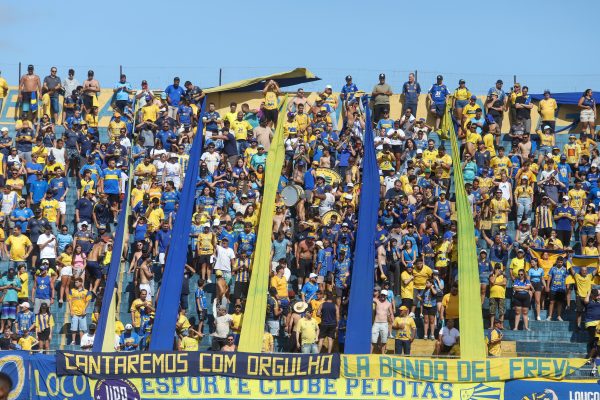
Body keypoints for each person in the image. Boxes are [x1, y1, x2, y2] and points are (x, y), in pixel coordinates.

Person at [371, 289, 393, 354]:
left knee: (384, 340)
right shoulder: (377, 301)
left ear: (386, 296)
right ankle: (370, 354)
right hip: (376, 323)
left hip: (384, 323)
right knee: (373, 340)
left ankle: (382, 353)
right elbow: (370, 298)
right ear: (380, 295)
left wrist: (392, 321)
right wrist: (377, 293)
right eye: (382, 295)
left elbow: (391, 313)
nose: (383, 296)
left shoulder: (389, 304)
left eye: (384, 295)